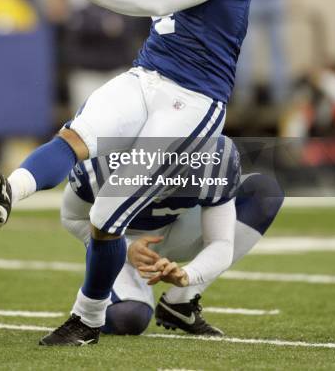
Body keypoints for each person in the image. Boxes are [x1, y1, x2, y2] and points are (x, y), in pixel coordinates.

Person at [0, 0, 256, 345]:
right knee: (78, 133)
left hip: (192, 98)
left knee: (106, 215)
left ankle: (88, 319)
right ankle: (8, 193)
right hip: (149, 73)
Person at [61, 136, 284, 337]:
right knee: (128, 317)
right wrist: (125, 247)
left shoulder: (215, 157)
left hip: (179, 229)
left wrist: (187, 275)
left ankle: (179, 302)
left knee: (263, 191)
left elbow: (220, 242)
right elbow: (72, 218)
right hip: (120, 238)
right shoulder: (108, 157)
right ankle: (106, 289)